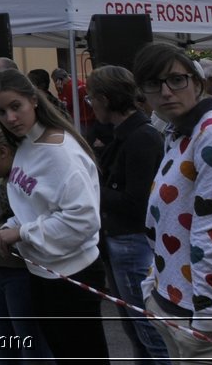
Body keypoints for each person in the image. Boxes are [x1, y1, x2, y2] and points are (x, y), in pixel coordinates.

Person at [134, 43, 212, 361]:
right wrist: (154, 286)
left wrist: (205, 321)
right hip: (178, 306)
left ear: (197, 83)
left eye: (176, 79)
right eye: (153, 84)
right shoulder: (181, 134)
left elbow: (211, 234)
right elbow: (165, 223)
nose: (166, 91)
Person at [0, 69, 107, 364]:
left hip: (73, 274)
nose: (11, 118)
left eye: (16, 107)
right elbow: (33, 205)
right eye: (2, 111)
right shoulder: (26, 144)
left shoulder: (61, 153)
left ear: (33, 100)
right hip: (44, 271)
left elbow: (83, 219)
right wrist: (9, 228)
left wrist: (20, 233)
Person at [87, 64, 169, 365]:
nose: (90, 105)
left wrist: (93, 187)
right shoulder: (125, 134)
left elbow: (138, 203)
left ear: (105, 99)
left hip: (133, 243)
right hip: (120, 241)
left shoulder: (141, 137)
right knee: (136, 331)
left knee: (149, 332)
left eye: (91, 98)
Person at [0, 118, 51, 363]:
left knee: (29, 342)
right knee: (4, 343)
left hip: (20, 272)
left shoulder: (22, 183)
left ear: (3, 152)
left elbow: (24, 223)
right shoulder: (2, 184)